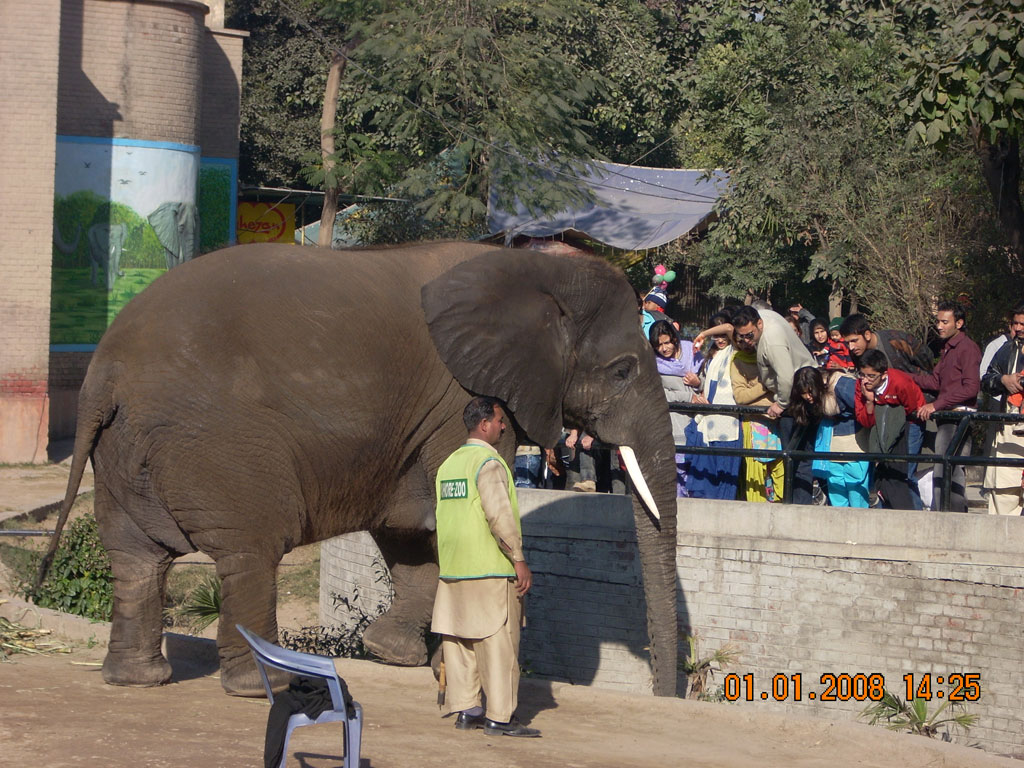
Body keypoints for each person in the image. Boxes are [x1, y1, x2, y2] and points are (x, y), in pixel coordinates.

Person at [431, 396, 540, 737]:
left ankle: (467, 709)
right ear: (484, 425)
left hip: (452, 570)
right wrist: (518, 559)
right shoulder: (489, 464)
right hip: (490, 570)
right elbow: (499, 517)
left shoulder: (448, 465)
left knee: (460, 644)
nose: (504, 427)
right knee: (499, 645)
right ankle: (500, 717)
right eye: (499, 421)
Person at [730, 305, 817, 503]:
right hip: (797, 392)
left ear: (759, 323)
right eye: (741, 336)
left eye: (749, 335)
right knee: (795, 458)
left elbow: (786, 378)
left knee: (795, 458)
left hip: (796, 399)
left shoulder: (772, 341)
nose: (746, 340)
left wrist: (781, 403)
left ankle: (799, 508)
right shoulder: (764, 317)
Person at [911, 301, 982, 512]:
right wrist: (905, 378)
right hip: (947, 416)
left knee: (949, 467)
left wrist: (937, 404)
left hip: (958, 416)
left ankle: (952, 515)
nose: (939, 326)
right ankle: (945, 512)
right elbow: (935, 382)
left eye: (944, 322)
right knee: (944, 467)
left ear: (959, 323)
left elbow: (971, 388)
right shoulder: (948, 349)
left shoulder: (967, 348)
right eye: (938, 321)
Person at [789, 367, 870, 507]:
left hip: (855, 445)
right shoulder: (813, 400)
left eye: (810, 391)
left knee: (856, 489)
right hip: (831, 447)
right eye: (803, 393)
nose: (808, 397)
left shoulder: (842, 385)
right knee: (836, 491)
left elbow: (865, 411)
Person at [687, 310, 742, 500]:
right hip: (708, 423)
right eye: (715, 336)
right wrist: (697, 388)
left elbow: (729, 328)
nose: (719, 339)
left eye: (720, 335)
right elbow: (707, 385)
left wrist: (703, 333)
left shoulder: (736, 349)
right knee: (707, 476)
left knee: (726, 477)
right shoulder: (710, 357)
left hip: (728, 423)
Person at [730, 324, 784, 501]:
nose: (746, 343)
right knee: (755, 476)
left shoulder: (769, 355)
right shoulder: (737, 361)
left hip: (778, 423)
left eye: (748, 337)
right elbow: (740, 397)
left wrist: (755, 387)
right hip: (753, 424)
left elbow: (783, 382)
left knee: (781, 471)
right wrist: (765, 384)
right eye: (740, 340)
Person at [980, 303, 1024, 515]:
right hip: (1009, 431)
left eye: (1023, 324)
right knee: (1004, 497)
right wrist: (1004, 380)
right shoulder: (1006, 349)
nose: (1019, 328)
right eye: (1015, 323)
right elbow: (986, 380)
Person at [649, 319, 700, 497]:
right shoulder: (654, 365)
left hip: (699, 423)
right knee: (677, 473)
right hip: (675, 426)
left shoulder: (692, 352)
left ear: (674, 339)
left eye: (667, 342)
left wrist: (698, 383)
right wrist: (688, 397)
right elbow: (658, 393)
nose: (664, 349)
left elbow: (708, 383)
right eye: (659, 345)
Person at [839, 313, 933, 376]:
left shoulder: (895, 340)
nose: (851, 347)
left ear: (867, 335)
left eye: (854, 341)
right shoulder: (856, 353)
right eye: (847, 343)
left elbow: (925, 355)